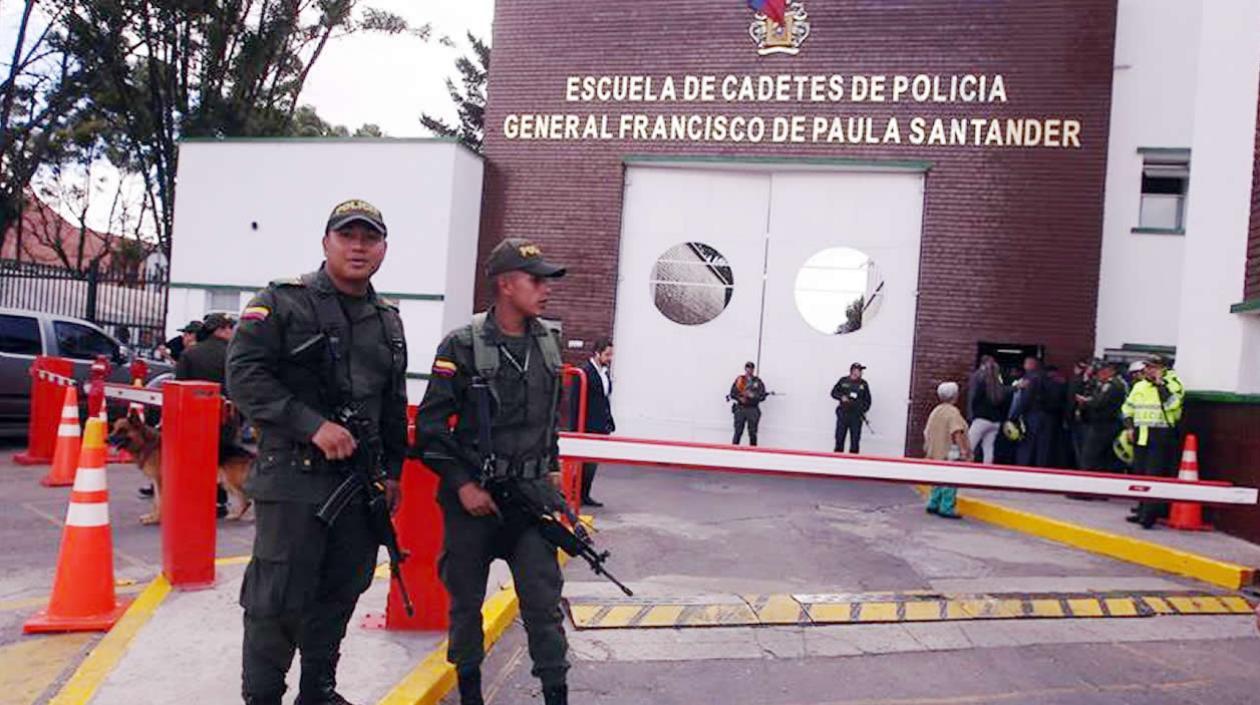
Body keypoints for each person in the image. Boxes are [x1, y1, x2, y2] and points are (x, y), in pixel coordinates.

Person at [227, 199, 408, 705]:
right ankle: (262, 698)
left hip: (358, 485)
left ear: (383, 249)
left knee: (340, 591)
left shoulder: (388, 320)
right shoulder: (284, 301)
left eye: (369, 238)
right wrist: (312, 426)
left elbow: (392, 405)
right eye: (347, 235)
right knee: (278, 598)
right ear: (326, 242)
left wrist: (393, 471)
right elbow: (243, 376)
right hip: (294, 480)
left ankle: (318, 692)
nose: (358, 246)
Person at [412, 237, 571, 705]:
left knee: (544, 603)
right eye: (535, 280)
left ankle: (556, 694)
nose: (546, 290)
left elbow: (548, 422)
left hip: (530, 499)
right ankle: (471, 695)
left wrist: (553, 469)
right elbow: (431, 430)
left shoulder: (548, 343)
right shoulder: (462, 345)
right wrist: (461, 486)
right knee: (465, 604)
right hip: (474, 502)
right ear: (505, 284)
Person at [177, 312, 239, 519]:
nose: (232, 331)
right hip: (226, 416)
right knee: (221, 459)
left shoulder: (190, 354)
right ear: (219, 330)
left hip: (195, 417)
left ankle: (194, 500)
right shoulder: (234, 353)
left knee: (196, 459)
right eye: (229, 327)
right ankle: (218, 502)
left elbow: (180, 386)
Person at [1122, 356, 1184, 529]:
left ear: (1163, 368)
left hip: (1161, 435)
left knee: (1153, 475)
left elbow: (1173, 405)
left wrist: (1160, 384)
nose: (1149, 370)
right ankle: (1142, 510)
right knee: (1140, 473)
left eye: (1153, 367)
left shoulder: (1173, 384)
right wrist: (1129, 427)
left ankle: (1149, 517)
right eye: (1147, 367)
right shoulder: (1140, 385)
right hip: (1141, 434)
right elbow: (1128, 408)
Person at [569, 338, 614, 507]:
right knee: (583, 463)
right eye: (607, 354)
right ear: (597, 353)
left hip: (600, 426)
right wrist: (576, 431)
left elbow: (604, 398)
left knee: (592, 463)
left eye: (611, 355)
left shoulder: (604, 372)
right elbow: (575, 403)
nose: (610, 358)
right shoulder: (584, 372)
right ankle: (575, 495)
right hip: (586, 426)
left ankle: (583, 494)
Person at [924, 381, 972, 519]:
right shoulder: (953, 412)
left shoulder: (936, 411)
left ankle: (933, 503)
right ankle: (946, 507)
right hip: (949, 452)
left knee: (937, 479)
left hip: (935, 451)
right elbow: (956, 431)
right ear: (955, 396)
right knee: (950, 480)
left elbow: (927, 431)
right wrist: (964, 451)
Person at [1078, 363, 1126, 471]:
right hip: (1103, 424)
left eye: (1102, 372)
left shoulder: (1113, 385)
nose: (1099, 375)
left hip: (1105, 425)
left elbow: (1100, 403)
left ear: (1110, 371)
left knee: (1091, 455)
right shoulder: (1103, 384)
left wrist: (1086, 402)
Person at [1010, 356, 1054, 467]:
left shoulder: (1030, 378)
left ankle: (1023, 468)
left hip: (1032, 415)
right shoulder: (1047, 377)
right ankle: (1041, 468)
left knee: (1027, 444)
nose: (1024, 365)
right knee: (1042, 447)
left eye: (1026, 363)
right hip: (1046, 416)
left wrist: (1014, 415)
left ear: (1031, 364)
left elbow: (1025, 399)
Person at [966, 355, 1007, 464]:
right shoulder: (999, 385)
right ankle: (988, 471)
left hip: (981, 419)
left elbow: (974, 399)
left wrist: (972, 415)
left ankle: (964, 469)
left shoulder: (980, 381)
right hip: (995, 422)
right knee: (988, 448)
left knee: (969, 446)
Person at [831, 362, 872, 453]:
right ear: (853, 371)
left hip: (856, 417)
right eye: (859, 370)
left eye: (861, 371)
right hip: (843, 415)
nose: (861, 373)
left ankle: (853, 464)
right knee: (839, 439)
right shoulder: (843, 381)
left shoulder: (864, 384)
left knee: (855, 442)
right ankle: (837, 461)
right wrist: (842, 397)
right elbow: (833, 392)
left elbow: (868, 401)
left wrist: (861, 408)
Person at [729, 361, 767, 446]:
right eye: (747, 368)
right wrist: (740, 398)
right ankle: (733, 451)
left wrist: (752, 395)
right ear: (745, 369)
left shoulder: (757, 381)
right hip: (740, 408)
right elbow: (732, 393)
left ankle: (753, 452)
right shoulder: (740, 380)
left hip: (752, 409)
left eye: (751, 368)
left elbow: (762, 396)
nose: (749, 370)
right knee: (738, 431)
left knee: (752, 432)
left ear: (753, 369)